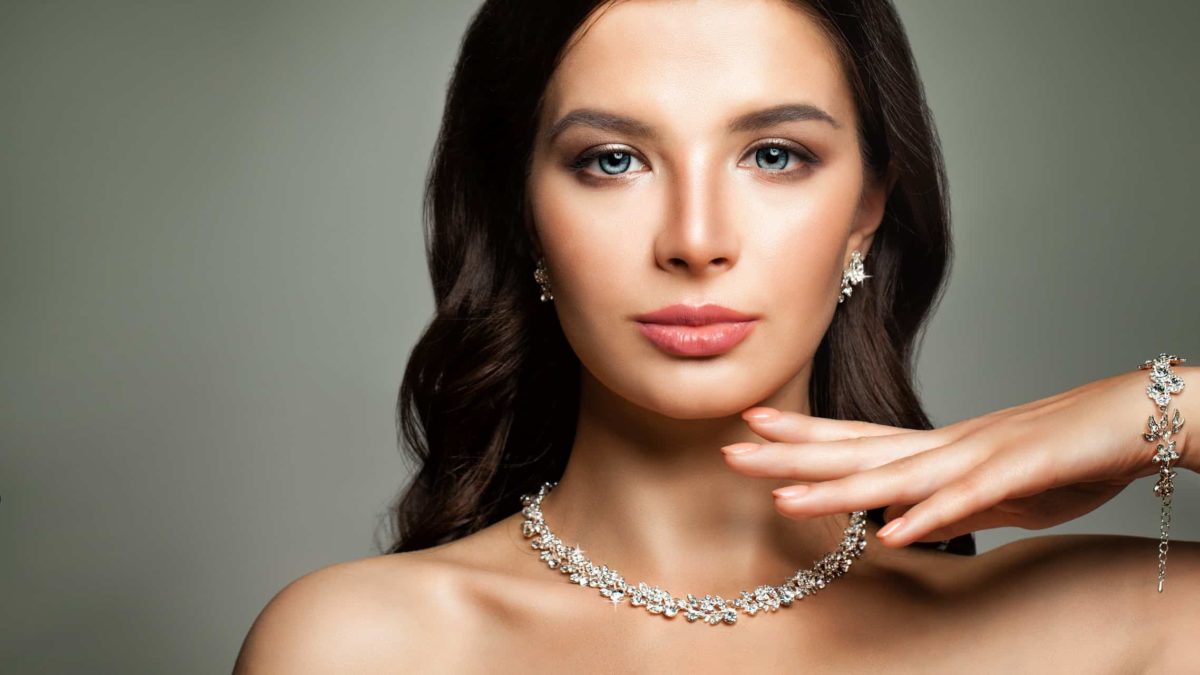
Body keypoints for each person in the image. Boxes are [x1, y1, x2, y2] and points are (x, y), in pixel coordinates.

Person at [234, 0, 1199, 671]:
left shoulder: (1118, 627)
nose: (695, 240)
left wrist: (1171, 408)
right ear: (521, 213)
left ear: (867, 207)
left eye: (774, 154)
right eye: (613, 160)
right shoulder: (359, 648)